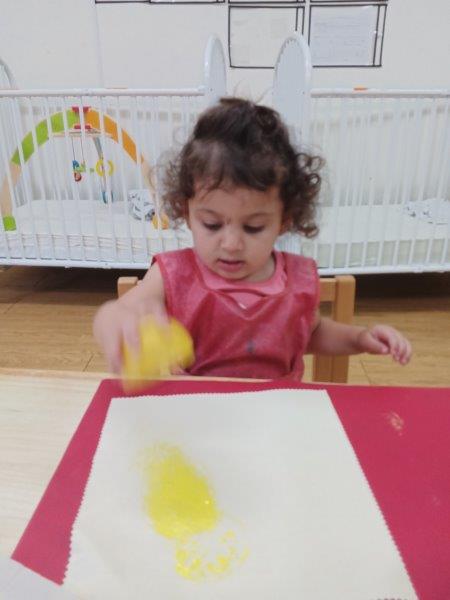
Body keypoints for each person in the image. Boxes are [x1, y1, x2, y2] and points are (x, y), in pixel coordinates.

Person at [93, 97, 411, 379]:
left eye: (254, 227)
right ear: (186, 212)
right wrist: (116, 318)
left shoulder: (297, 281)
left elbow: (311, 333)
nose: (231, 244)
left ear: (284, 220)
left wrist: (359, 339)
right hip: (197, 414)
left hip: (278, 413)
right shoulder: (172, 274)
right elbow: (118, 311)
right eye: (212, 224)